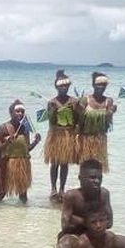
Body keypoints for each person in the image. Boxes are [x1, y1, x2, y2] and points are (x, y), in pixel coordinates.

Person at [57, 159, 125, 248]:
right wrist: (91, 222)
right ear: (80, 178)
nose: (97, 181)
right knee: (65, 247)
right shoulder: (72, 196)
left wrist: (78, 220)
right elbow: (65, 226)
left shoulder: (103, 194)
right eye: (92, 178)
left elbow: (110, 223)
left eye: (99, 178)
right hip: (76, 235)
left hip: (99, 235)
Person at [0, 101, 41, 203]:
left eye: (22, 111)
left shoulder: (25, 128)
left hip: (23, 164)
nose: (20, 113)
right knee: (2, 191)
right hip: (7, 163)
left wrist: (36, 142)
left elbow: (27, 149)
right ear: (11, 112)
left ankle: (23, 215)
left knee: (23, 194)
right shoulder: (3, 128)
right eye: (17, 111)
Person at [45, 70, 79, 202]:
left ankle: (62, 189)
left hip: (68, 135)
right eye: (61, 86)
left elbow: (77, 120)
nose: (63, 88)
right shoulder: (52, 102)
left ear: (69, 86)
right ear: (56, 87)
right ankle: (53, 188)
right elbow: (51, 122)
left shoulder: (73, 101)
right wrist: (53, 111)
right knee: (54, 163)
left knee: (64, 163)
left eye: (66, 86)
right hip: (56, 135)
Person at [77, 72, 116, 172]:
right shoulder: (85, 100)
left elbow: (108, 123)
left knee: (99, 164)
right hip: (86, 137)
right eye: (99, 84)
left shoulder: (109, 101)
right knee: (85, 163)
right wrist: (78, 110)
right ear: (93, 85)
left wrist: (111, 113)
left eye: (104, 84)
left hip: (100, 137)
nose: (101, 87)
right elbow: (79, 121)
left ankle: (96, 185)